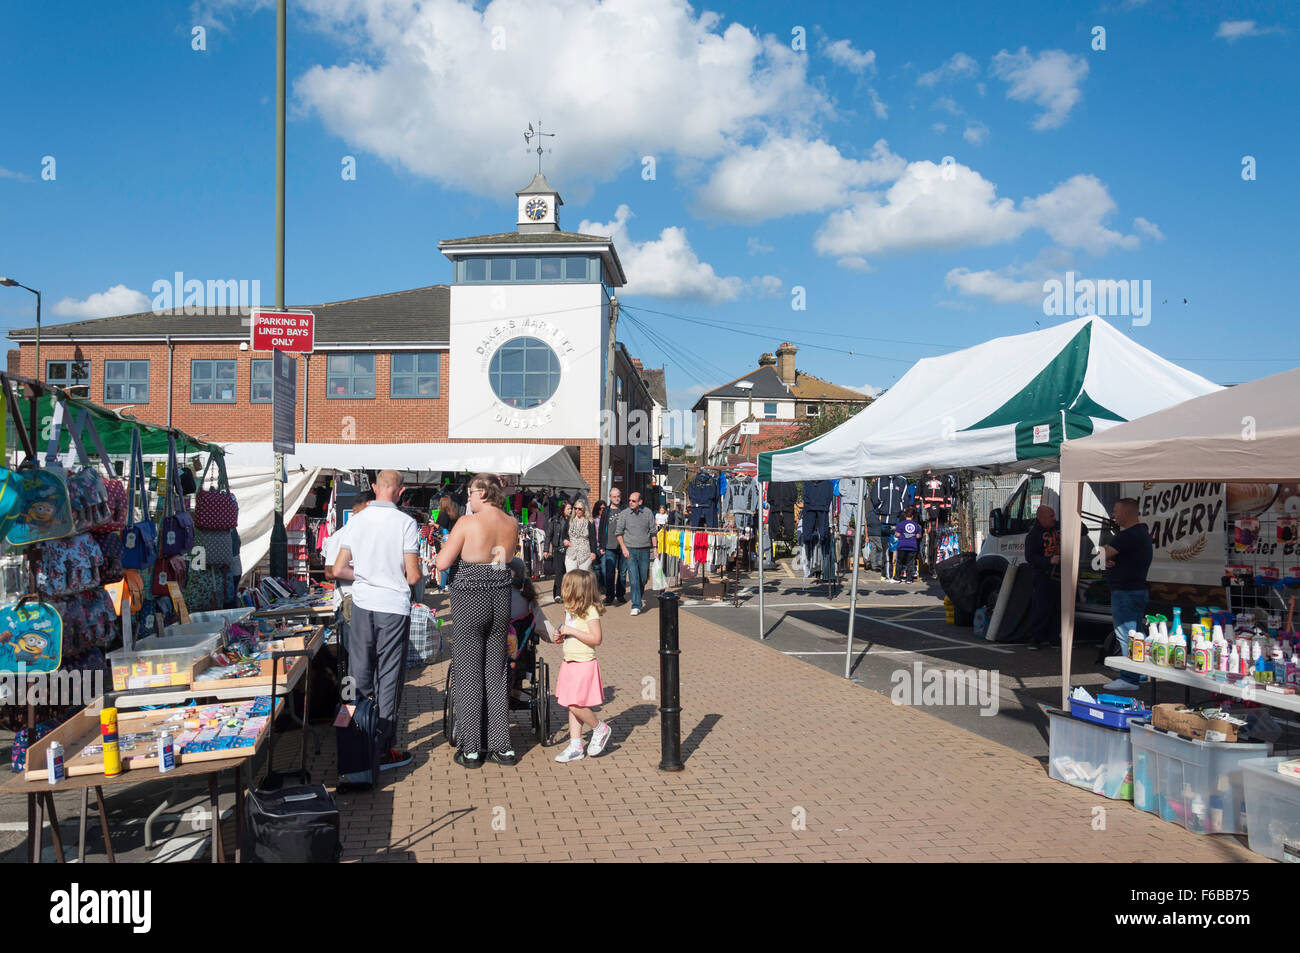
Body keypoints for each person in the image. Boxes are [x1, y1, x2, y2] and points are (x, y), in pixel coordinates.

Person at [331, 471, 420, 773]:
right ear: (401, 491)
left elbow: (338, 568)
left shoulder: (356, 520)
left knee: (358, 673)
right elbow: (413, 575)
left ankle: (357, 739)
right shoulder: (407, 523)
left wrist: (367, 574)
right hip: (393, 605)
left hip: (362, 603)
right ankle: (383, 748)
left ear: (373, 488)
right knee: (390, 676)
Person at [435, 473, 520, 767]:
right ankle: (502, 746)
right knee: (495, 674)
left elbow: (443, 562)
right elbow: (506, 560)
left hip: (471, 598)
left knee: (469, 673)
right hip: (500, 596)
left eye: (470, 492)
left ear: (483, 492)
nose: (467, 498)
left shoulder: (467, 523)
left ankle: (471, 749)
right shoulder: (512, 523)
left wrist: (444, 549)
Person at [551, 569, 612, 763]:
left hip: (584, 663)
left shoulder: (590, 611)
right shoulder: (570, 610)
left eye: (566, 586)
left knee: (576, 705)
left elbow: (596, 638)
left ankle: (599, 728)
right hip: (570, 661)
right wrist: (562, 635)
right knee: (572, 705)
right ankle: (576, 744)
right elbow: (573, 632)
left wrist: (571, 631)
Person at [1103, 498, 1154, 691]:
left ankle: (1129, 677)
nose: (1113, 515)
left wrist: (1105, 557)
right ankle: (1139, 672)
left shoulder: (1127, 535)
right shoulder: (1142, 533)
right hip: (1137, 589)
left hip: (1125, 592)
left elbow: (1100, 556)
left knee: (1126, 634)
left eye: (1115, 511)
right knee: (1137, 633)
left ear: (1126, 513)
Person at [322, 497, 369, 676]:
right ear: (355, 512)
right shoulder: (341, 536)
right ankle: (351, 698)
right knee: (350, 657)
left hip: (367, 602)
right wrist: (364, 572)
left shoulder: (370, 536)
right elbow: (329, 572)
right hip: (348, 603)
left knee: (366, 655)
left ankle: (367, 697)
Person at [1024, 505, 1061, 650]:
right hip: (1043, 576)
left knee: (1057, 609)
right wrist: (1049, 561)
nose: (1054, 518)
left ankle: (1054, 638)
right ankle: (1035, 638)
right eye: (1051, 516)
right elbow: (1030, 557)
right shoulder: (1033, 535)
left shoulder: (1059, 527)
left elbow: (1082, 530)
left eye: (1054, 515)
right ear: (1041, 518)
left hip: (1059, 575)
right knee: (1041, 608)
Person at [616, 490, 658, 615]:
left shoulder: (648, 513)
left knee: (643, 578)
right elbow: (618, 533)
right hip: (630, 550)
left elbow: (653, 532)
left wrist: (655, 548)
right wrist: (623, 548)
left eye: (633, 501)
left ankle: (638, 595)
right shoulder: (624, 514)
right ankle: (636, 604)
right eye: (629, 500)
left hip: (645, 550)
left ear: (640, 502)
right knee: (633, 578)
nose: (630, 502)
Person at [602, 487, 627, 605]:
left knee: (622, 572)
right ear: (610, 497)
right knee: (610, 572)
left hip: (623, 546)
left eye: (618, 496)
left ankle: (620, 594)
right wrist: (601, 545)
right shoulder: (606, 511)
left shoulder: (625, 509)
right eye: (614, 497)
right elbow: (602, 528)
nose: (616, 499)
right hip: (609, 546)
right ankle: (609, 596)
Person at [547, 500, 572, 603]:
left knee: (566, 573)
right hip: (557, 549)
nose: (570, 510)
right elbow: (549, 535)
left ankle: (565, 594)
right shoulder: (555, 520)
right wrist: (545, 550)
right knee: (559, 573)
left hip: (569, 550)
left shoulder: (572, 520)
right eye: (568, 508)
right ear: (563, 509)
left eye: (571, 508)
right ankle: (557, 594)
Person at [564, 499, 597, 573]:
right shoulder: (570, 520)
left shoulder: (590, 522)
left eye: (580, 509)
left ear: (584, 509)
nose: (577, 510)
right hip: (571, 552)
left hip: (585, 553)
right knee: (571, 575)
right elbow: (564, 534)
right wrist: (565, 540)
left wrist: (593, 552)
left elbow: (593, 539)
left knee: (583, 577)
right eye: (575, 508)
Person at [893, 506, 921, 583]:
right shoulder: (916, 525)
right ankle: (909, 579)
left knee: (900, 562)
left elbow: (897, 534)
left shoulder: (901, 524)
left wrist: (903, 534)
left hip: (902, 545)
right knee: (910, 563)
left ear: (905, 515)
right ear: (912, 516)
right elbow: (918, 536)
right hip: (912, 546)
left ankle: (897, 578)